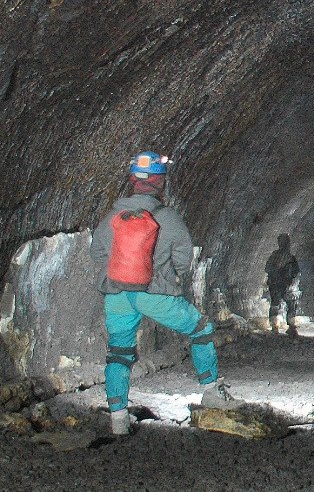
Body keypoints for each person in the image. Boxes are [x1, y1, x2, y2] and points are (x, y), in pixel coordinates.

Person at [89, 151, 233, 435]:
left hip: (117, 293)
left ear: (132, 181)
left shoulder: (112, 217)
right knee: (201, 328)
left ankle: (118, 418)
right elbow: (183, 260)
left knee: (119, 352)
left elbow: (97, 254)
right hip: (156, 294)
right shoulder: (167, 217)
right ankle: (211, 391)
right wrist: (166, 277)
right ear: (160, 183)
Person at [265, 234, 300, 336]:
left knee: (275, 304)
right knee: (291, 304)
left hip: (275, 284)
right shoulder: (290, 257)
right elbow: (296, 272)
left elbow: (267, 269)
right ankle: (292, 327)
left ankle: (275, 326)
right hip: (286, 285)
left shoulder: (274, 256)